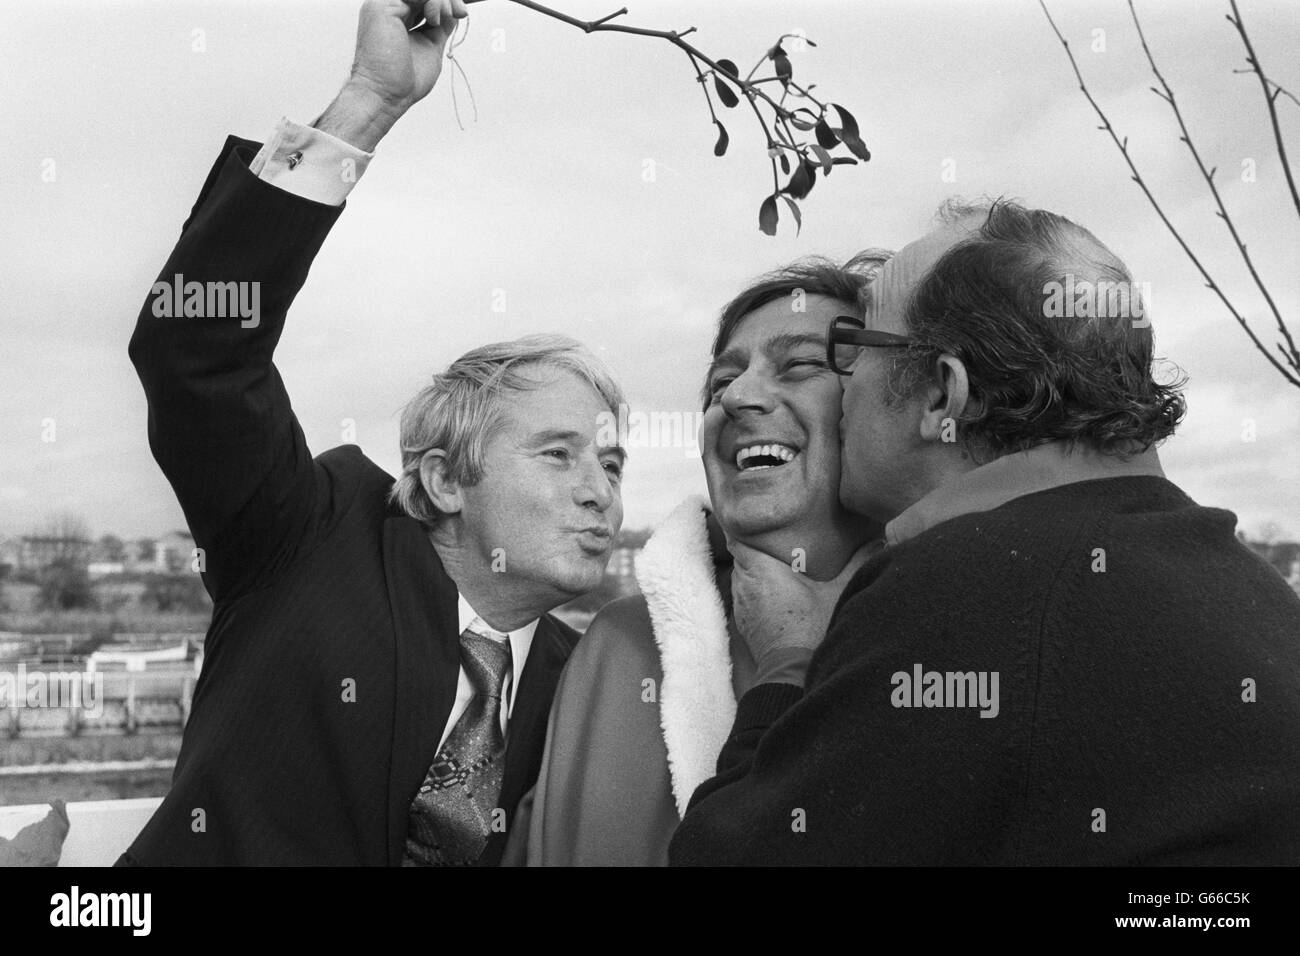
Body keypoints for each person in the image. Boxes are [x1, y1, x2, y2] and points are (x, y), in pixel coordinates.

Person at [121, 0, 627, 866]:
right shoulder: (310, 532)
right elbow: (195, 348)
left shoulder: (591, 684)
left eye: (613, 463)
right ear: (443, 481)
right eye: (559, 453)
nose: (600, 491)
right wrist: (370, 100)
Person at [670, 199, 1300, 865]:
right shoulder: (1253, 588)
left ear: (943, 394)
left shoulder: (970, 587)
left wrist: (789, 663)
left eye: (855, 351)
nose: (843, 383)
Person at [505, 252, 889, 865]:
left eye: (800, 365)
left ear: (887, 405)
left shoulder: (959, 635)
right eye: (719, 383)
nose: (736, 397)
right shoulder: (620, 643)